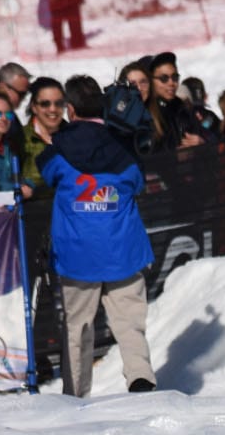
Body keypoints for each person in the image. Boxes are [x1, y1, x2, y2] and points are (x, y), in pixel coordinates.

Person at [37, 74, 156, 396]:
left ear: (70, 109)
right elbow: (137, 184)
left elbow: (45, 174)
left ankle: (75, 393)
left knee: (78, 327)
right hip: (122, 249)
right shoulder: (125, 147)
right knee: (129, 322)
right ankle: (140, 377)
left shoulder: (57, 152)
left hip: (77, 254)